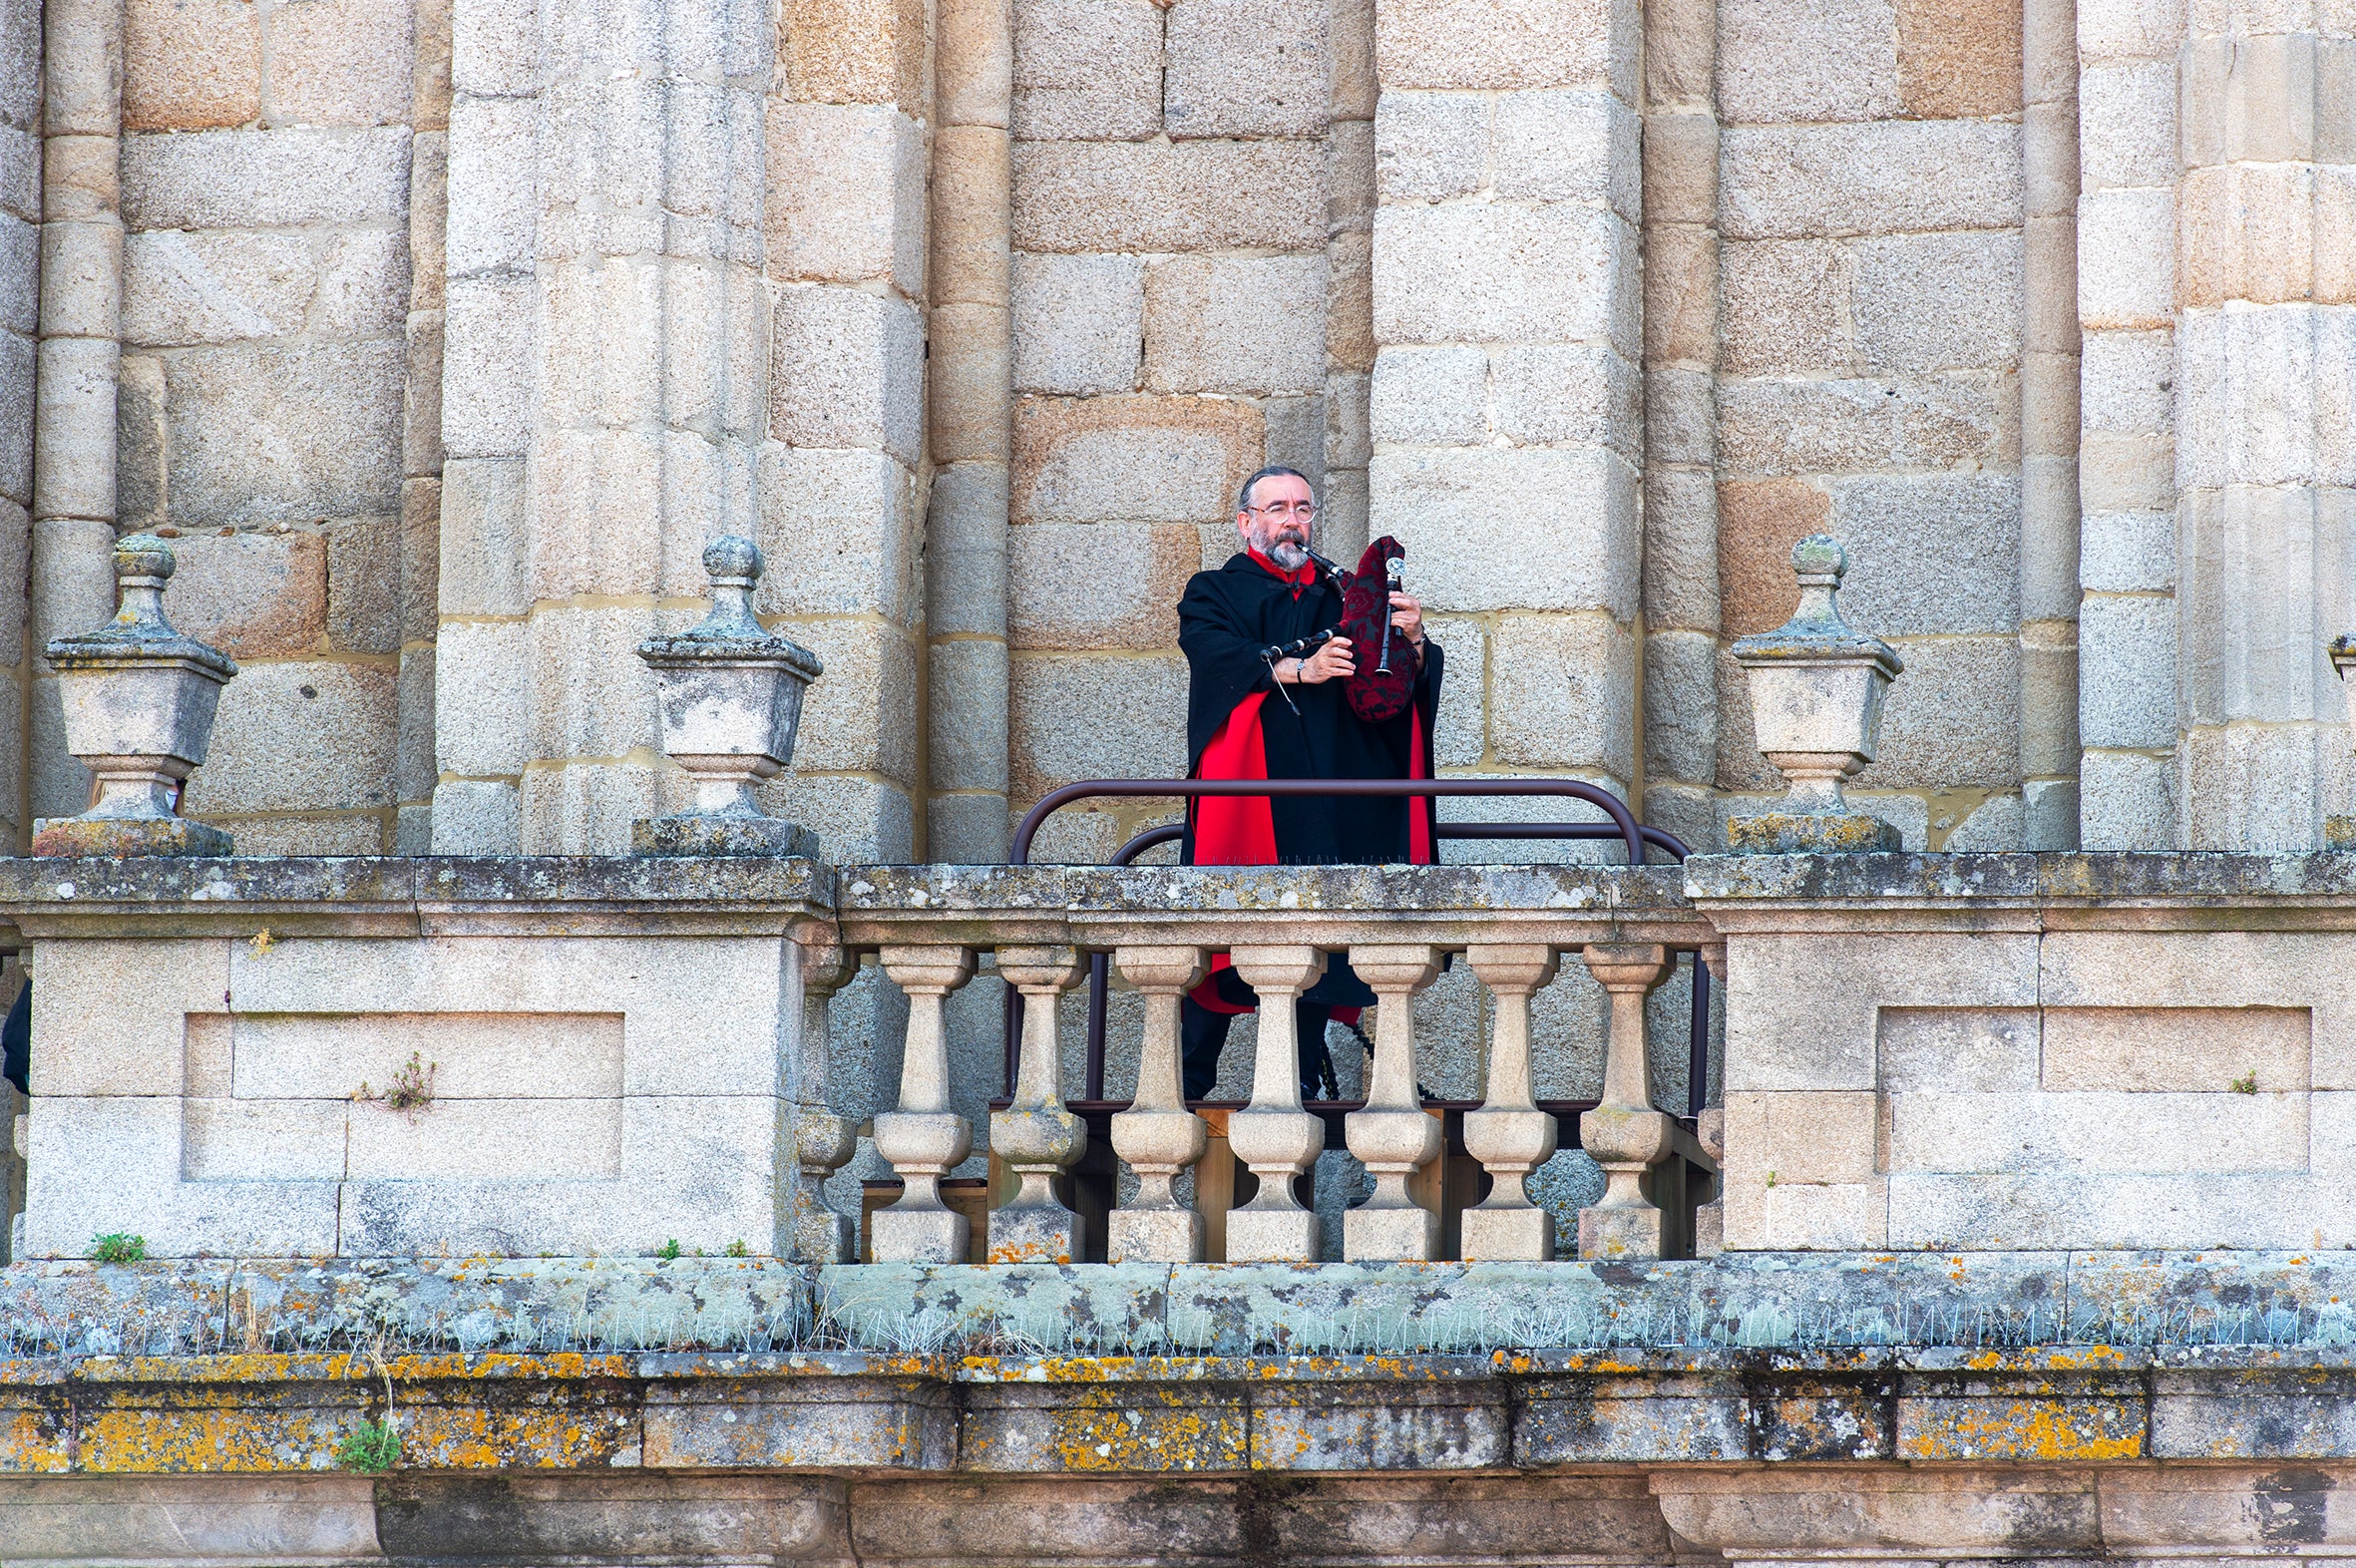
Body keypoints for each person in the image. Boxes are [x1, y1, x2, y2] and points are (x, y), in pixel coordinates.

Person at [1176, 466, 1443, 1100]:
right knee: (1221, 952)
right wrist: (1303, 667)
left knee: (1317, 962)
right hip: (1254, 802)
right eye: (1275, 509)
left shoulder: (1346, 594)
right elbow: (1217, 658)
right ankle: (1183, 1093)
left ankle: (1297, 1101)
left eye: (1301, 508)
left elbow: (1397, 684)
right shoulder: (1214, 591)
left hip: (1334, 805)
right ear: (1247, 523)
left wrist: (1412, 639)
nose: (1290, 520)